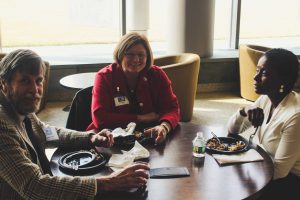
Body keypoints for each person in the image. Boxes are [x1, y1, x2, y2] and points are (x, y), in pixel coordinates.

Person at [0, 49, 150, 200]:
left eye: (38, 81)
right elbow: (34, 186)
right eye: (25, 81)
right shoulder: (3, 127)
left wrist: (91, 138)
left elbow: (47, 132)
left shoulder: (22, 110)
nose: (34, 90)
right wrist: (107, 183)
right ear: (3, 84)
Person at [227, 48, 300, 198]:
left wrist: (243, 175)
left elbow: (280, 172)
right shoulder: (267, 98)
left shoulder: (295, 116)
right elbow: (232, 131)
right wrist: (244, 111)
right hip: (266, 167)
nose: (255, 77)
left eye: (264, 73)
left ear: (283, 81)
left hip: (290, 182)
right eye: (258, 70)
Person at [87, 32, 180, 144]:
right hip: (109, 139)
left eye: (141, 55)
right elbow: (100, 118)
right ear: (120, 54)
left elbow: (172, 108)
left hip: (150, 137)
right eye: (130, 54)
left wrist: (164, 127)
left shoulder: (157, 75)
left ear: (148, 56)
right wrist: (140, 118)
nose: (136, 60)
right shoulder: (104, 77)